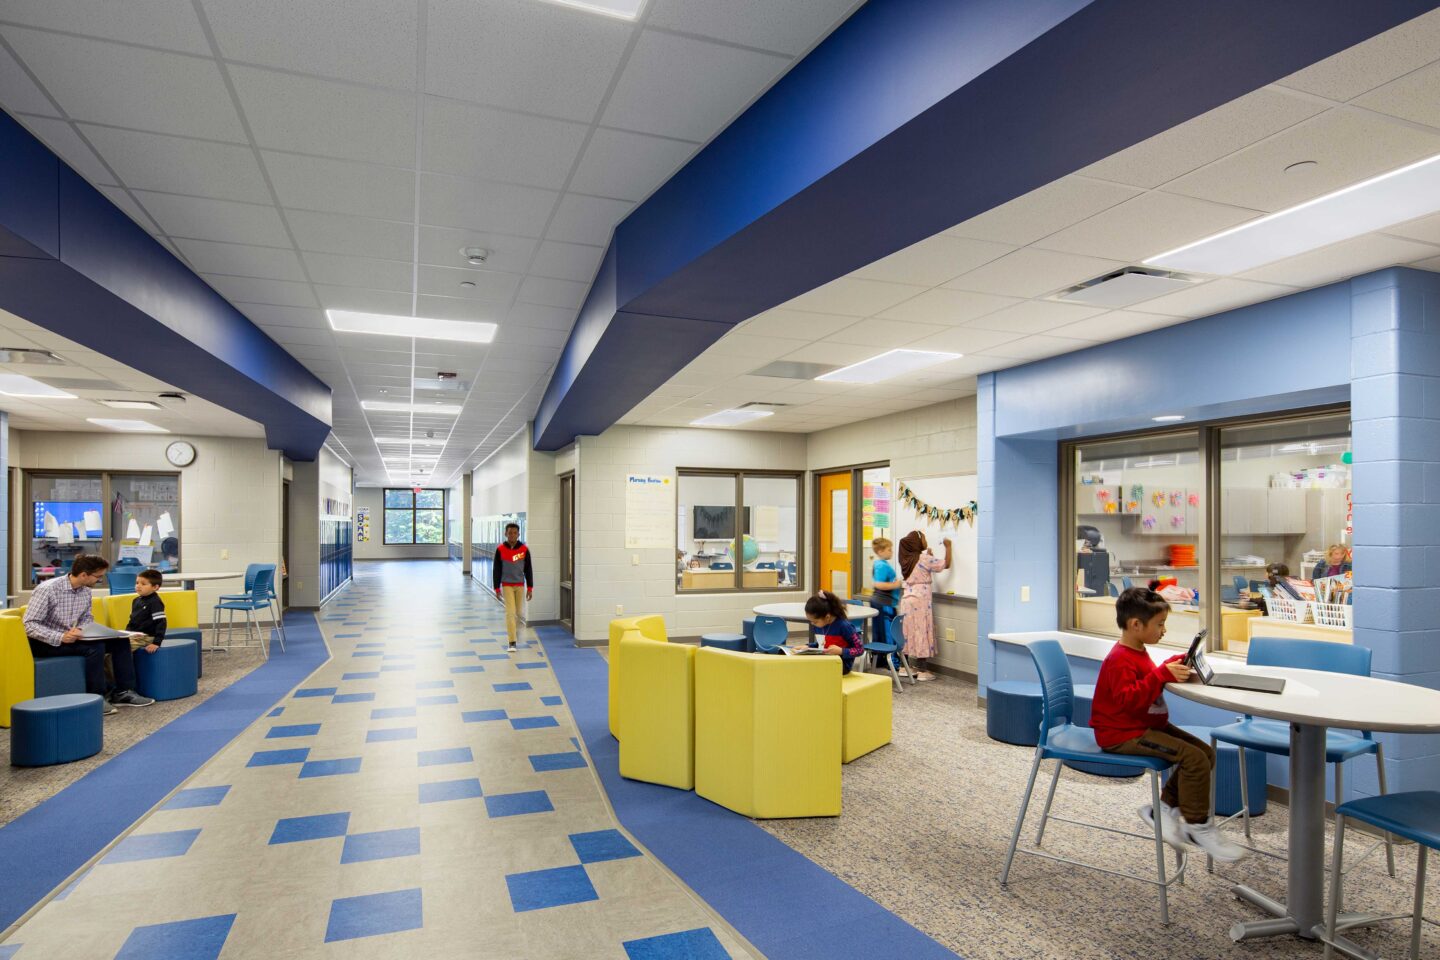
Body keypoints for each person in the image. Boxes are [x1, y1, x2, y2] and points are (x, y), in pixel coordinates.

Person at [1089, 582, 1245, 862]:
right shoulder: (1118, 660)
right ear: (1136, 624)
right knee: (1194, 759)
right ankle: (1198, 827)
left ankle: (1160, 809)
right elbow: (1129, 700)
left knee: (1205, 754)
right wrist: (1161, 675)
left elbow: (1146, 683)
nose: (1164, 630)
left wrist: (1173, 664)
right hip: (1122, 734)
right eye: (1160, 625)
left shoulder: (1137, 651)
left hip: (1143, 726)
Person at [24, 554, 154, 714]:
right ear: (84, 575)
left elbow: (86, 617)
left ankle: (123, 692)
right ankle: (97, 697)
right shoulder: (47, 589)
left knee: (120, 641)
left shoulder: (85, 591)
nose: (99, 580)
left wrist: (83, 630)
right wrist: (60, 637)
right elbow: (29, 624)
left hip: (70, 638)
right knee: (95, 648)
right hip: (44, 643)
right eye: (98, 577)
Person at [897, 530, 950, 681]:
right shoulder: (924, 558)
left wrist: (929, 556)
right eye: (924, 538)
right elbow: (945, 564)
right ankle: (922, 669)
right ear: (917, 542)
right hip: (921, 601)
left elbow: (922, 565)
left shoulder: (906, 559)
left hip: (907, 599)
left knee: (907, 632)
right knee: (922, 630)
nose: (926, 540)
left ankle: (904, 666)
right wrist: (948, 547)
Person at [800, 591, 864, 675]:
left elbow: (860, 650)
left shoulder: (845, 627)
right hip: (825, 660)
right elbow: (822, 645)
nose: (812, 624)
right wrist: (807, 647)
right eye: (811, 621)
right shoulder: (819, 625)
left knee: (810, 670)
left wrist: (841, 651)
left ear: (827, 617)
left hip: (841, 665)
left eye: (815, 622)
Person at [492, 523, 533, 652]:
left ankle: (514, 631)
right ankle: (512, 642)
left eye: (515, 533)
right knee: (510, 613)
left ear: (518, 534)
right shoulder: (500, 550)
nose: (512, 535)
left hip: (520, 585)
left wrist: (530, 588)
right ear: (505, 534)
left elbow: (528, 569)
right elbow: (496, 570)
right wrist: (497, 588)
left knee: (519, 613)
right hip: (507, 585)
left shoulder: (524, 550)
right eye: (510, 533)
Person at [870, 537, 902, 668]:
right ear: (880, 551)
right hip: (884, 604)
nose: (891, 552)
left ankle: (880, 660)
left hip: (885, 603)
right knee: (888, 632)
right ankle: (891, 661)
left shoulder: (883, 564)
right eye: (889, 550)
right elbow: (879, 584)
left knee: (882, 631)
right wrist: (896, 584)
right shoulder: (881, 565)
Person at [125, 568, 168, 656]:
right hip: (135, 635)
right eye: (137, 583)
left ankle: (121, 670)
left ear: (155, 587)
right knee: (110, 646)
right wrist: (127, 633)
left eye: (143, 584)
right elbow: (132, 621)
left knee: (121, 649)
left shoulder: (155, 602)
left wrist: (156, 642)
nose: (138, 586)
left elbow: (161, 623)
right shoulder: (136, 600)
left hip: (147, 637)